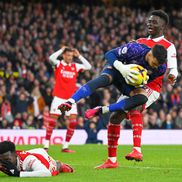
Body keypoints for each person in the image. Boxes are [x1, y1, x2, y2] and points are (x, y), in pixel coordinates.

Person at [85, 9, 178, 169]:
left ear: (163, 26)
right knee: (115, 118)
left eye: (154, 22)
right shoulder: (140, 41)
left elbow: (174, 68)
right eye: (149, 21)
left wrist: (173, 75)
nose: (150, 23)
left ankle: (137, 150)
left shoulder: (168, 46)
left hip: (151, 88)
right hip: (133, 85)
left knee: (135, 106)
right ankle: (112, 161)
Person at [43, 46, 91, 153]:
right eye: (68, 55)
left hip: (71, 100)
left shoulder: (75, 66)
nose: (70, 57)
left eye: (71, 56)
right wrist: (60, 50)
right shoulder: (59, 64)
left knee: (73, 122)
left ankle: (65, 146)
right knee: (52, 122)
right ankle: (46, 146)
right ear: (64, 55)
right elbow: (51, 58)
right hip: (58, 98)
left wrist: (79, 56)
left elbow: (89, 67)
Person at [0, 141, 73, 177]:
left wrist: (19, 174)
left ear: (15, 154)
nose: (5, 163)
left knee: (53, 167)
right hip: (32, 152)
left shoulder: (28, 160)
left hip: (42, 157)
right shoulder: (3, 160)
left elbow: (46, 173)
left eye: (7, 160)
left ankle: (59, 164)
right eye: (1, 160)